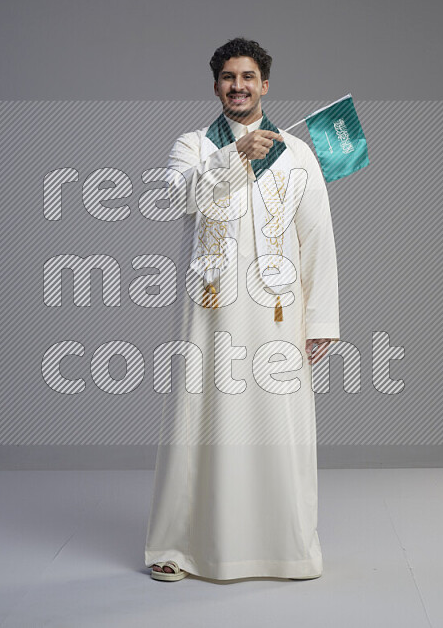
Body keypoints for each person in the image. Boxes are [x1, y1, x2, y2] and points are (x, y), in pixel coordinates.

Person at [145, 37, 340, 581]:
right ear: (216, 87)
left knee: (279, 427)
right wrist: (235, 156)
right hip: (211, 311)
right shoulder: (194, 146)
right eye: (229, 77)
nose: (239, 86)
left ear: (265, 85)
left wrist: (321, 319)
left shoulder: (297, 153)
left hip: (278, 311)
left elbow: (317, 236)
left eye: (248, 77)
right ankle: (180, 547)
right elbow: (175, 197)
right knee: (198, 423)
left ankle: (285, 548)